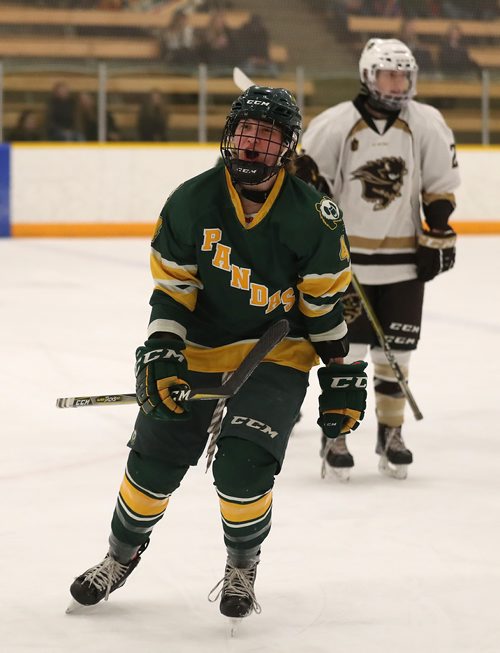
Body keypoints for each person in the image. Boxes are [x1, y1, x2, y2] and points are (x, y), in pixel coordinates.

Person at [67, 85, 368, 622]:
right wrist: (162, 349)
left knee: (242, 465)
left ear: (287, 147)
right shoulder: (191, 200)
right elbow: (173, 290)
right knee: (152, 463)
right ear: (230, 135)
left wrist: (340, 370)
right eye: (246, 132)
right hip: (200, 349)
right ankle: (120, 556)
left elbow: (322, 303)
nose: (253, 144)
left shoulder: (313, 215)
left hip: (276, 354)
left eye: (267, 135)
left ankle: (241, 565)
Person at [300, 38, 460, 481]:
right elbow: (309, 189)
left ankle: (391, 432)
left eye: (404, 75)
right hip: (348, 264)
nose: (398, 83)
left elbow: (439, 184)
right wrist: (309, 183)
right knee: (345, 354)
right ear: (369, 75)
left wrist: (440, 232)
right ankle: (337, 432)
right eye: (390, 74)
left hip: (403, 262)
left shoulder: (425, 122)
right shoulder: (336, 124)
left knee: (397, 356)